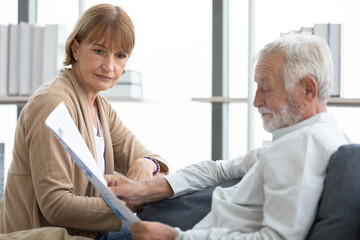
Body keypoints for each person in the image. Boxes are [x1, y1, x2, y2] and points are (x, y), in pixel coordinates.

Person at [105, 34, 351, 240]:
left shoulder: (303, 146)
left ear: (308, 90)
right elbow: (222, 170)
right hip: (180, 221)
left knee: (92, 224)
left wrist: (174, 237)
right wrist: (146, 189)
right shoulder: (306, 136)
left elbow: (275, 238)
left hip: (181, 230)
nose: (256, 102)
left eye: (266, 88)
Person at [0, 3, 168, 239]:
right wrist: (130, 204)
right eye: (99, 51)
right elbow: (56, 205)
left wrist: (146, 163)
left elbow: (154, 159)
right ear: (76, 48)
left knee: (180, 212)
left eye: (120, 56)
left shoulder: (100, 106)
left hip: (92, 231)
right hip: (50, 234)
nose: (110, 67)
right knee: (173, 220)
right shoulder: (51, 103)